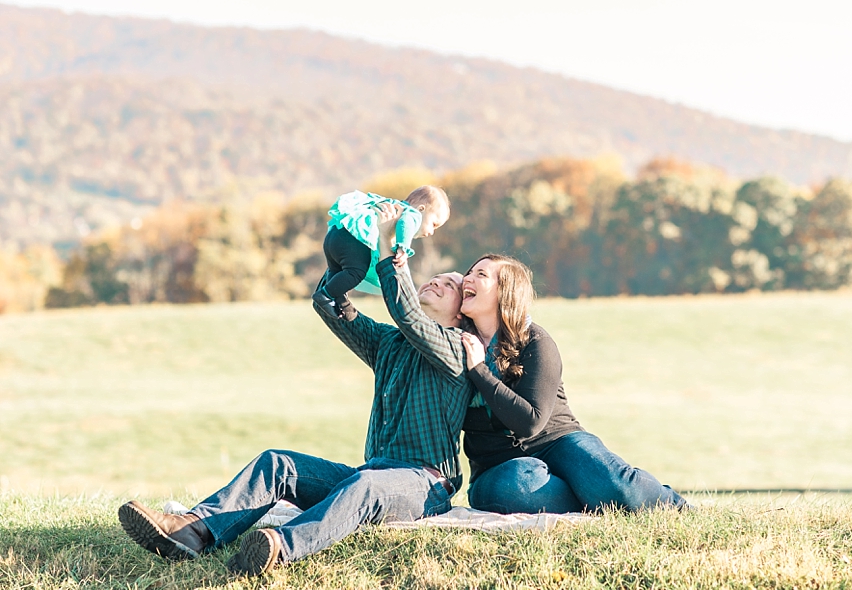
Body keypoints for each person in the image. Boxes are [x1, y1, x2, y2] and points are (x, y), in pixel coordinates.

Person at [118, 210, 472, 577]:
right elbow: (331, 306)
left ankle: (279, 546)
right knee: (277, 463)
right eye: (437, 277)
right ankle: (192, 530)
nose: (437, 282)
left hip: (423, 484)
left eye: (451, 285)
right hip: (371, 473)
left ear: (461, 313)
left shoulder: (456, 348)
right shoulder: (390, 343)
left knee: (365, 486)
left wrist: (392, 242)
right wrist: (341, 259)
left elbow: (408, 314)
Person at [458, 254, 689, 514]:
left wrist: (479, 370)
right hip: (497, 467)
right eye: (469, 272)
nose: (468, 278)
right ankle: (593, 498)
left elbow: (530, 422)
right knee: (518, 486)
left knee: (619, 490)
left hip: (559, 442)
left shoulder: (535, 341)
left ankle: (672, 505)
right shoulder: (453, 347)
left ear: (506, 292)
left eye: (481, 275)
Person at [312, 185, 450, 320]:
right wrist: (403, 247)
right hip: (353, 240)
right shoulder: (411, 213)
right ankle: (325, 295)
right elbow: (406, 222)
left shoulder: (391, 205)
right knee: (356, 271)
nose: (432, 232)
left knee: (336, 270)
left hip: (335, 234)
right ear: (421, 209)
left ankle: (338, 298)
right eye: (434, 224)